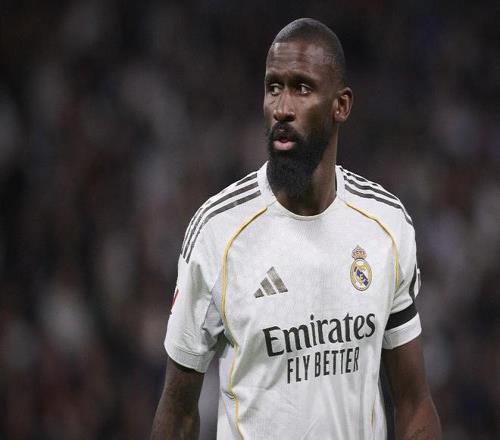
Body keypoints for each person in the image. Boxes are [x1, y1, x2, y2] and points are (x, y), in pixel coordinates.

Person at [151, 18, 441, 440]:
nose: (282, 108)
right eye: (273, 87)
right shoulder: (217, 233)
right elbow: (177, 414)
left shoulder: (386, 225)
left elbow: (414, 403)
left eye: (302, 88)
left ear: (341, 105)